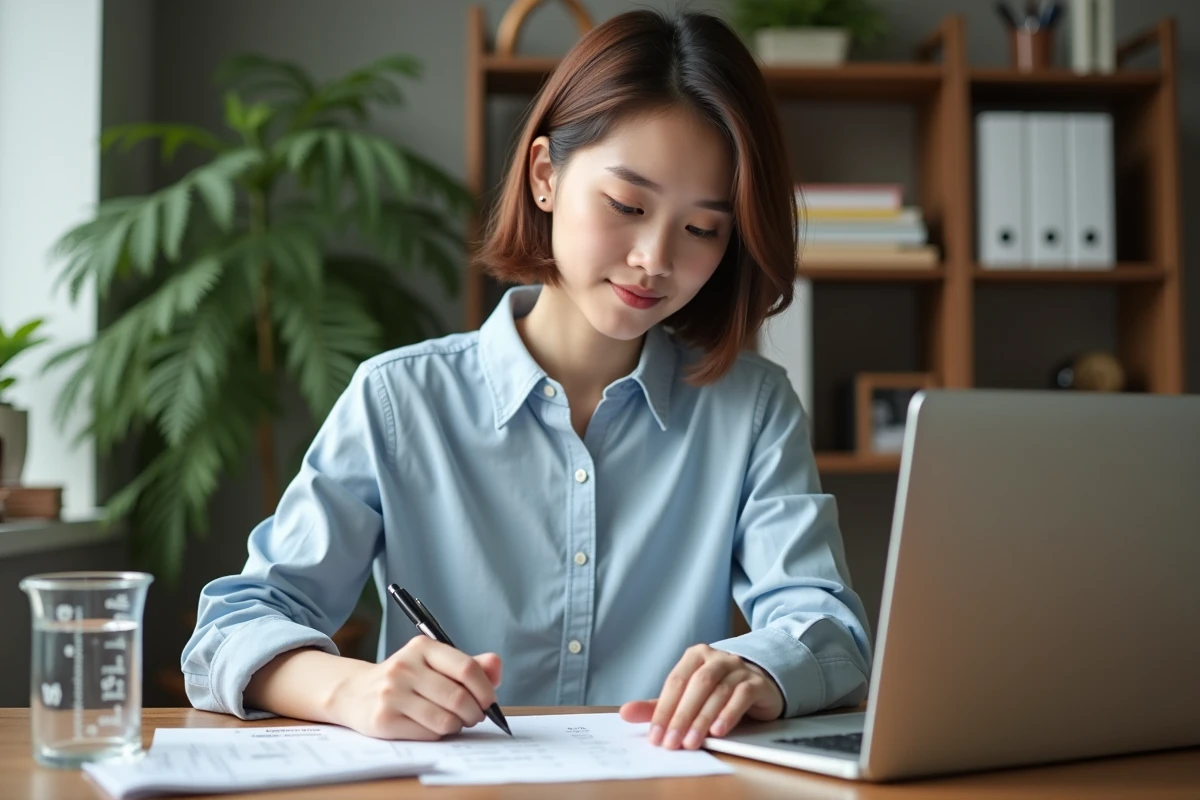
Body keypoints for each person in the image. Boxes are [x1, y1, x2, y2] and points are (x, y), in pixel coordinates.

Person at [182, 8, 872, 752]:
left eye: (702, 228)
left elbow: (828, 628)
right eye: (627, 206)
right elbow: (229, 632)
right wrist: (352, 688)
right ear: (545, 176)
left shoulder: (753, 408)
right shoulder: (398, 401)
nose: (654, 258)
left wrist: (760, 670)